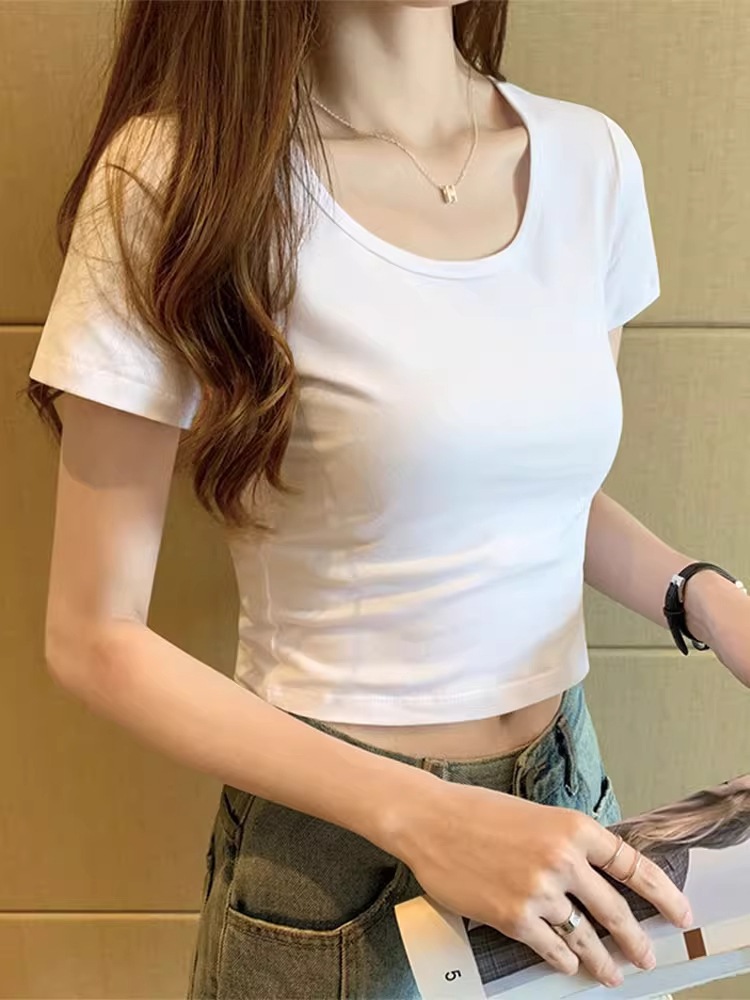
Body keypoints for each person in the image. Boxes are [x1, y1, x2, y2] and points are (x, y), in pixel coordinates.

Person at [32, 1, 750, 997]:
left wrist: (706, 596)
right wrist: (429, 817)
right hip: (336, 859)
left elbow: (531, 493)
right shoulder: (178, 180)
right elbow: (92, 637)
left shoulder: (591, 163)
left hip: (565, 800)